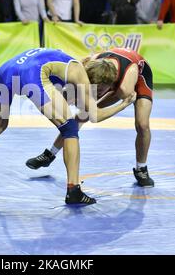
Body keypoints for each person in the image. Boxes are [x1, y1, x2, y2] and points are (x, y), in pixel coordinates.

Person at [0, 48, 136, 204]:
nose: (101, 93)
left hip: (6, 70)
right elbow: (94, 116)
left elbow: (63, 101)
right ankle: (74, 190)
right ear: (97, 81)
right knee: (69, 129)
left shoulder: (70, 69)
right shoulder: (79, 74)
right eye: (102, 89)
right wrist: (123, 104)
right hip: (32, 74)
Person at [26, 47, 155, 188]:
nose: (97, 93)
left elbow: (111, 104)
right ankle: (49, 155)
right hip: (111, 73)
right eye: (94, 89)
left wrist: (121, 105)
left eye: (99, 90)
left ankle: (141, 168)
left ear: (110, 85)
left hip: (139, 77)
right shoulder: (89, 65)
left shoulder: (124, 88)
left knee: (142, 125)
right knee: (79, 116)